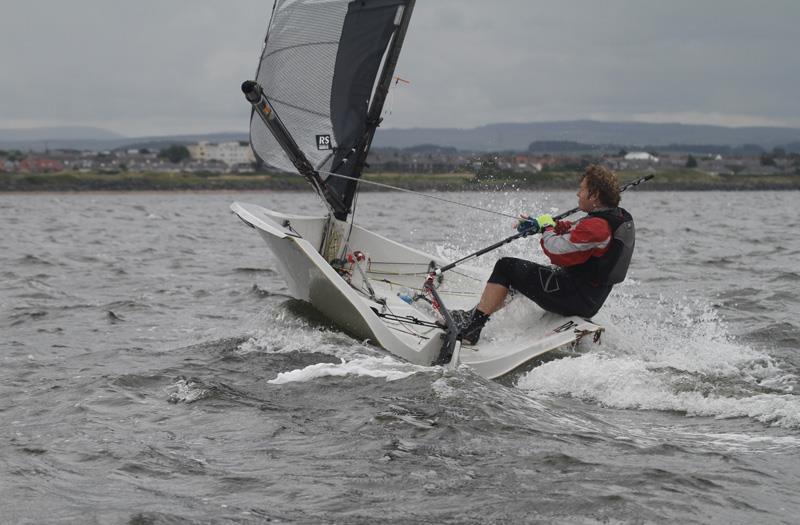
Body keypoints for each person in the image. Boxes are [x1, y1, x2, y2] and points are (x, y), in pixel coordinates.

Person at [451, 165, 635, 345]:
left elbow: (557, 251)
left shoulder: (597, 227)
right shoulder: (615, 218)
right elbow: (577, 231)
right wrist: (548, 225)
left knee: (506, 267)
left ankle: (471, 329)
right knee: (521, 276)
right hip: (588, 297)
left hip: (574, 298)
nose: (577, 194)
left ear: (594, 195)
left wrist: (546, 228)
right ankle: (475, 314)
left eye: (581, 189)